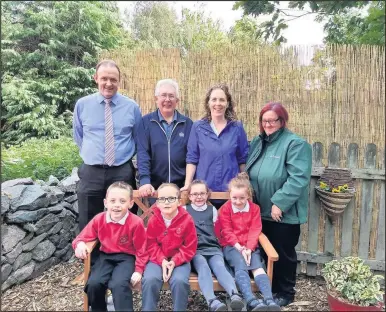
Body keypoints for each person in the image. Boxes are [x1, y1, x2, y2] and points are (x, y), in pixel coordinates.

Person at [245, 102, 312, 307]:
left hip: (281, 213)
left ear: (282, 121)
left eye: (273, 120)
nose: (268, 124)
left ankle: (285, 292)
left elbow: (298, 178)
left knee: (283, 253)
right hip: (260, 211)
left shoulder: (295, 144)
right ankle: (271, 290)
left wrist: (279, 203)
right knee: (267, 253)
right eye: (264, 120)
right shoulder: (259, 141)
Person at [73, 60, 141, 232]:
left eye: (113, 79)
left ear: (119, 81)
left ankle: (124, 256)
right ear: (95, 78)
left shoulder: (132, 107)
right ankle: (92, 259)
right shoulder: (82, 105)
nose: (108, 84)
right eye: (104, 78)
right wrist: (93, 154)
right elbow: (79, 135)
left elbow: (138, 138)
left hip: (121, 170)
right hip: (91, 171)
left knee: (126, 219)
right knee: (89, 220)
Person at [72, 182, 148, 312]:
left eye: (122, 201)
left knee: (119, 284)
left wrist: (139, 270)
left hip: (127, 258)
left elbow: (142, 249)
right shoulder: (99, 219)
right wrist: (79, 245)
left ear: (130, 204)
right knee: (94, 283)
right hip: (105, 256)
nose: (117, 205)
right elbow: (81, 237)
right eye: (112, 201)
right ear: (105, 203)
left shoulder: (136, 222)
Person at [216, 173, 281, 311]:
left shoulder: (254, 209)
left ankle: (269, 300)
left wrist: (249, 249)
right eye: (234, 198)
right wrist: (240, 248)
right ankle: (250, 299)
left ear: (248, 196)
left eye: (242, 198)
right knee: (241, 265)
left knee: (257, 267)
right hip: (232, 246)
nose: (238, 201)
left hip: (250, 247)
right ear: (230, 195)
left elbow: (255, 230)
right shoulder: (226, 209)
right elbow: (227, 232)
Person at [183, 83, 249, 208]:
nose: (217, 103)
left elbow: (242, 159)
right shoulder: (198, 127)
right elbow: (192, 158)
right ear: (208, 103)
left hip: (231, 194)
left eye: (222, 100)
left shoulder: (237, 128)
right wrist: (188, 184)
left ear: (228, 103)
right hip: (204, 193)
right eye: (214, 99)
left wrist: (245, 184)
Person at [183, 180, 244, 312]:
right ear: (189, 196)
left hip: (213, 248)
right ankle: (212, 300)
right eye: (195, 194)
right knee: (203, 267)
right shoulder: (185, 210)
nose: (199, 197)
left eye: (202, 193)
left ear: (207, 195)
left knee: (219, 266)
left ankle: (234, 295)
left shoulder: (212, 210)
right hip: (195, 250)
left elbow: (218, 231)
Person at [141, 183, 198, 311]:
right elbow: (151, 244)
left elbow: (190, 247)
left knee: (179, 281)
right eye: (162, 199)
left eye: (171, 199)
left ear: (179, 202)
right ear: (158, 203)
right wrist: (162, 260)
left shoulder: (187, 220)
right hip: (157, 259)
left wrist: (174, 261)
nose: (166, 202)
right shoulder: (153, 220)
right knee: (150, 279)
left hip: (180, 260)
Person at [136, 79, 193, 199]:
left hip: (181, 189)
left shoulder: (188, 124)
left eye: (171, 96)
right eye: (163, 95)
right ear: (156, 99)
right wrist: (145, 181)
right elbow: (143, 153)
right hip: (154, 189)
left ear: (177, 101)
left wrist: (189, 183)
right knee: (155, 218)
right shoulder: (145, 122)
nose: (167, 99)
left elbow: (192, 156)